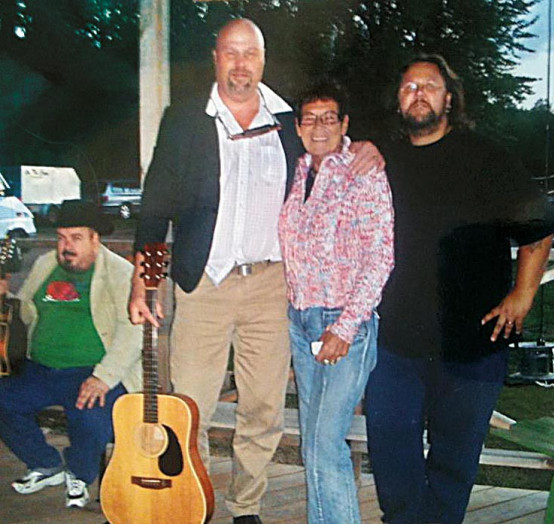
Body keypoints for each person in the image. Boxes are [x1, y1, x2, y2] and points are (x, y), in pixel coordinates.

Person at [128, 18, 383, 524]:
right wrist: (144, 277)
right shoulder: (184, 120)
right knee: (189, 408)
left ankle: (245, 507)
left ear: (262, 60)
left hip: (271, 287)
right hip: (204, 284)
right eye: (231, 52)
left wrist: (373, 148)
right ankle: (186, 502)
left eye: (250, 53)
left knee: (263, 412)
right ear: (215, 57)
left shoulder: (289, 120)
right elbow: (156, 204)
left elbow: (333, 144)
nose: (240, 63)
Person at [365, 54, 554, 524]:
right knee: (391, 451)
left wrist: (523, 294)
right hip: (397, 344)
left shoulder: (486, 158)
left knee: (454, 465)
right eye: (409, 87)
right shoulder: (383, 159)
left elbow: (539, 229)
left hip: (473, 344)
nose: (418, 94)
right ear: (398, 99)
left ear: (449, 98)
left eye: (429, 86)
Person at [278, 82, 394, 524]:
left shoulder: (363, 172)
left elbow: (381, 256)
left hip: (345, 323)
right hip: (302, 321)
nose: (320, 126)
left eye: (330, 117)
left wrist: (345, 328)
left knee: (324, 444)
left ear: (345, 125)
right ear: (298, 126)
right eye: (311, 118)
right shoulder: (299, 169)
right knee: (314, 441)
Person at [0, 200, 142, 509]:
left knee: (90, 415)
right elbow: (24, 310)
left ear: (95, 239)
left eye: (76, 238)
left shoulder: (120, 273)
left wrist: (102, 377)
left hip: (94, 368)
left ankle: (79, 473)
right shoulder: (46, 264)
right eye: (62, 237)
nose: (66, 246)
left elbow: (133, 332)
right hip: (42, 368)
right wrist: (4, 293)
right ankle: (46, 463)